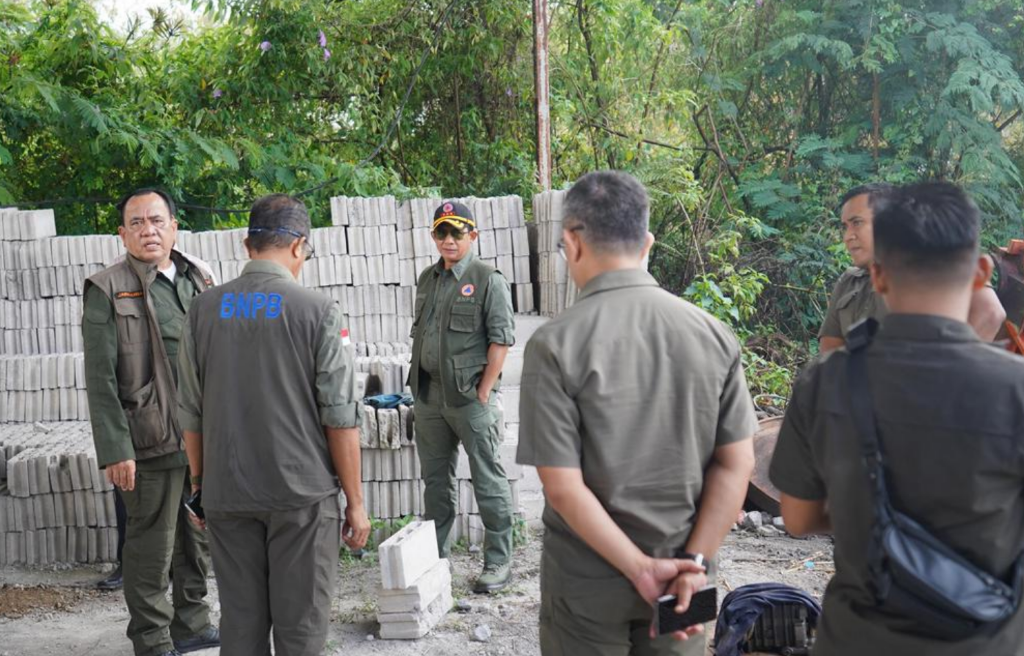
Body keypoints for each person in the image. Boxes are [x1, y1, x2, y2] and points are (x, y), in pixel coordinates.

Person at [770, 182, 1024, 655]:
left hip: (857, 637)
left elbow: (799, 518)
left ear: (880, 277)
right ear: (982, 272)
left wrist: (865, 510)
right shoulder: (1015, 389)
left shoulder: (825, 382)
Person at [516, 171, 758, 655]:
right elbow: (737, 464)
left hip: (587, 584)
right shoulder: (712, 334)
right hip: (686, 582)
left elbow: (562, 486)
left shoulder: (556, 344)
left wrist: (639, 567)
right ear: (647, 242)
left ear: (571, 242)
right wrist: (693, 562)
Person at [176, 193, 370, 656]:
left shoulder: (203, 310)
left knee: (241, 627)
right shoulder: (317, 311)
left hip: (228, 493)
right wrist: (356, 503)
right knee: (300, 627)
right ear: (300, 247)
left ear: (248, 245)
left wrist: (203, 486)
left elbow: (191, 411)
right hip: (300, 499)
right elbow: (340, 418)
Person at [82, 188, 219, 656]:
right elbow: (99, 379)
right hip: (146, 438)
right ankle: (152, 638)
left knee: (196, 538)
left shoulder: (199, 277)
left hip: (199, 436)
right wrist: (115, 448)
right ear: (122, 233)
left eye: (157, 220)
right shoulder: (106, 287)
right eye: (137, 223)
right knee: (150, 545)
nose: (149, 230)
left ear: (175, 226)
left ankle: (193, 623)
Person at [408, 200, 516, 593]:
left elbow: (502, 339)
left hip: (471, 400)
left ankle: (498, 560)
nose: (448, 240)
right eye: (441, 232)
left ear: (473, 235)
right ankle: (436, 558)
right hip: (430, 397)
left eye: (456, 232)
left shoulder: (488, 279)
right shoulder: (427, 278)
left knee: (488, 480)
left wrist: (485, 389)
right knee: (435, 483)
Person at [819, 182, 1005, 352]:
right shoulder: (848, 281)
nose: (847, 236)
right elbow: (829, 351)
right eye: (845, 226)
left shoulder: (930, 266)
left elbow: (990, 313)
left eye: (857, 223)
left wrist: (938, 372)